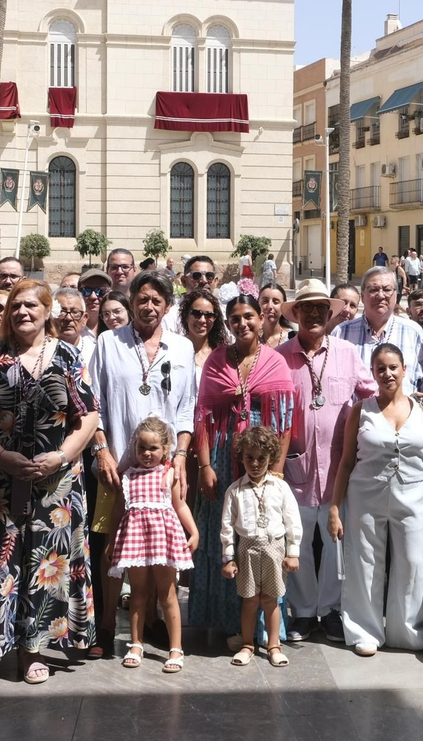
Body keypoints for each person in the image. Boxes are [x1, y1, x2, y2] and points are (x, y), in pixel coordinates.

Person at [0, 279, 99, 684]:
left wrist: (60, 456)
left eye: (31, 305)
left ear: (47, 310)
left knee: (45, 562)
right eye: (15, 305)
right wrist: (1, 456)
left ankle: (33, 648)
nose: (22, 312)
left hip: (54, 484)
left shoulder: (68, 355)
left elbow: (89, 415)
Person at [327, 343, 423, 654]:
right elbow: (346, 462)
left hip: (413, 498)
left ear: (405, 370)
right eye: (380, 368)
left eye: (393, 367)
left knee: (412, 563)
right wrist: (335, 508)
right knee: (364, 562)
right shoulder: (361, 410)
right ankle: (365, 631)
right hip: (365, 497)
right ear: (372, 372)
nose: (387, 373)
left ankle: (409, 631)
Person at [87, 271, 196, 657]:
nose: (149, 306)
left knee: (158, 545)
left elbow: (186, 408)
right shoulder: (108, 341)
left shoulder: (182, 347)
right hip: (118, 465)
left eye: (156, 300)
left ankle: (151, 621)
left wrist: (180, 456)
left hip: (164, 469)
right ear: (131, 301)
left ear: (168, 305)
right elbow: (93, 399)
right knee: (113, 546)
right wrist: (102, 449)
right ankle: (105, 627)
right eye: (142, 299)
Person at [276, 280, 377, 642]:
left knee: (336, 543)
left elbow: (372, 393)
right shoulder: (280, 356)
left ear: (329, 313)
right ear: (296, 314)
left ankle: (332, 609)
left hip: (338, 469)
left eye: (321, 308)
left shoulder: (347, 353)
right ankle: (304, 612)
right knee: (299, 542)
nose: (314, 314)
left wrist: (410, 403)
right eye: (307, 308)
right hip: (297, 467)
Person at [191, 294, 297, 639]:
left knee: (262, 534)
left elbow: (284, 422)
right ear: (228, 323)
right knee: (223, 530)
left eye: (248, 316)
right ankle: (225, 621)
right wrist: (205, 465)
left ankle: (263, 628)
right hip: (222, 455)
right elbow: (203, 416)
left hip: (262, 459)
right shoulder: (217, 359)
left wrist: (276, 470)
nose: (242, 324)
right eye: (235, 318)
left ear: (261, 318)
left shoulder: (275, 361)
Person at [109, 417, 199, 673]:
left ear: (165, 449)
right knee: (138, 593)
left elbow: (180, 505)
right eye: (142, 448)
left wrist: (193, 531)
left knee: (167, 594)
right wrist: (112, 541)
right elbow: (118, 511)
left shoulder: (169, 474)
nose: (147, 453)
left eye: (153, 448)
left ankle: (175, 648)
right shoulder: (128, 477)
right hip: (136, 541)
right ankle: (136, 644)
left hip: (163, 541)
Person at [220, 425, 301, 668]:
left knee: (271, 600)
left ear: (271, 458)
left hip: (275, 549)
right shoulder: (235, 490)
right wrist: (228, 558)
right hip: (247, 550)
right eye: (249, 458)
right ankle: (247, 645)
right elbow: (227, 526)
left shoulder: (280, 487)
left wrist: (293, 552)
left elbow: (292, 520)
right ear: (241, 458)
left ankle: (274, 646)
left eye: (261, 458)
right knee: (250, 600)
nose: (255, 464)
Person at [336, 266, 423, 394]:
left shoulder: (414, 333)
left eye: (387, 289)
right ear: (362, 296)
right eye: (373, 290)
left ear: (395, 295)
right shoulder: (341, 333)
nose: (380, 295)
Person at [181, 287, 224, 373]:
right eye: (196, 314)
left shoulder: (222, 354)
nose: (202, 320)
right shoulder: (175, 351)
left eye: (209, 315)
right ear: (186, 316)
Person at [54, 286, 95, 363]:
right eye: (62, 311)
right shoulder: (42, 349)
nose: (68, 318)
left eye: (75, 312)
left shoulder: (94, 351)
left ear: (84, 319)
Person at [80, 267, 112, 335]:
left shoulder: (118, 326)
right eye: (86, 291)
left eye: (101, 291)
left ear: (110, 293)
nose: (93, 296)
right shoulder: (72, 328)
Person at [259, 282, 292, 347]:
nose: (270, 306)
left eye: (275, 302)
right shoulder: (253, 339)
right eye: (265, 301)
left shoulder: (292, 338)